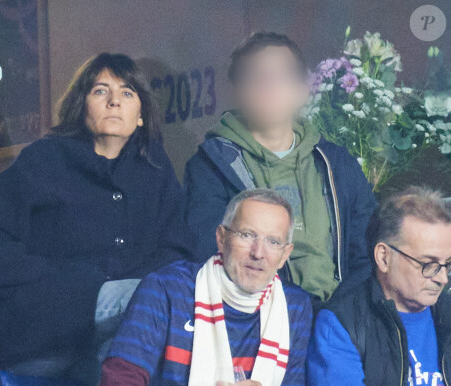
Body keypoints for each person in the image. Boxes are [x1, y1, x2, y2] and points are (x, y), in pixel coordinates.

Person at [0, 53, 196, 383]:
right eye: (100, 91)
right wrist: (72, 280)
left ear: (140, 116)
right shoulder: (43, 162)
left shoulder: (155, 171)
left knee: (147, 325)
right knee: (153, 302)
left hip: (116, 333)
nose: (114, 102)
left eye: (127, 93)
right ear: (81, 106)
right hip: (42, 331)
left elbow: (178, 253)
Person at [184, 32, 376, 303]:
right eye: (256, 78)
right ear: (237, 92)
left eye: (281, 77)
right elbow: (212, 255)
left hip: (339, 316)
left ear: (302, 90)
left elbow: (368, 251)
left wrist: (340, 315)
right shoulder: (212, 165)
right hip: (257, 314)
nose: (270, 88)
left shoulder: (335, 164)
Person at [101, 189, 313, 386]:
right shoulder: (167, 288)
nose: (258, 253)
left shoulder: (295, 307)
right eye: (247, 235)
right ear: (221, 238)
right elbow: (120, 380)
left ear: (285, 254)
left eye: (273, 242)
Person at [308, 186, 451, 386]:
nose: (443, 278)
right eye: (428, 265)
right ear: (384, 257)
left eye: (447, 264)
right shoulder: (341, 324)